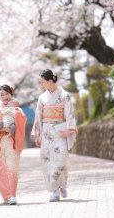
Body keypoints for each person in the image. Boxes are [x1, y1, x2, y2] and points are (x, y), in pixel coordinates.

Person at [31, 69, 77, 202]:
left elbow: (69, 113)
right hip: (46, 131)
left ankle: (63, 185)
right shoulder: (42, 97)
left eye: (43, 82)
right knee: (48, 160)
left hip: (61, 130)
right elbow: (38, 116)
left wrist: (70, 129)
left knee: (61, 159)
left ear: (50, 81)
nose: (42, 85)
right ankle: (54, 191)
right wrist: (37, 134)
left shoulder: (64, 95)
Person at [0, 85, 27, 205]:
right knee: (0, 170)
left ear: (11, 94)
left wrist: (9, 127)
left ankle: (12, 195)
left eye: (7, 94)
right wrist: (3, 128)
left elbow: (21, 122)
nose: (5, 96)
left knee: (12, 167)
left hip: (11, 142)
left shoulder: (17, 109)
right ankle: (6, 196)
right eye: (2, 94)